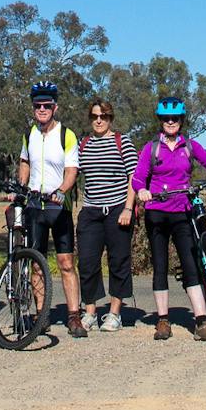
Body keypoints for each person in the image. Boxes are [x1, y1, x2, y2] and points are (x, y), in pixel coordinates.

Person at [131, 98, 206, 342]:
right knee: (161, 265)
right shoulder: (151, 148)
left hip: (182, 211)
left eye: (175, 118)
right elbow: (138, 177)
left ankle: (202, 322)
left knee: (191, 265)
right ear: (161, 121)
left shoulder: (190, 146)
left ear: (182, 120)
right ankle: (163, 321)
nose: (171, 122)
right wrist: (142, 191)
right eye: (166, 118)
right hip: (157, 212)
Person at [18, 80, 84, 337]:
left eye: (47, 105)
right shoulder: (29, 135)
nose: (42, 109)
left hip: (59, 206)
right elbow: (25, 162)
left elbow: (72, 170)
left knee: (66, 262)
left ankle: (73, 315)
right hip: (35, 206)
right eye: (37, 105)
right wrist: (21, 186)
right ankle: (41, 313)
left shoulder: (66, 134)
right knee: (36, 263)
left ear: (55, 108)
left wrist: (62, 191)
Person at [75, 97, 134, 331]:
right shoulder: (83, 144)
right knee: (87, 262)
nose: (99, 120)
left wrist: (129, 207)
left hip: (118, 209)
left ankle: (114, 313)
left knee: (118, 261)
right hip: (91, 210)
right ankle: (90, 311)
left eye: (104, 116)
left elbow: (134, 177)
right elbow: (72, 173)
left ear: (111, 118)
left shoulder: (123, 142)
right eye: (95, 116)